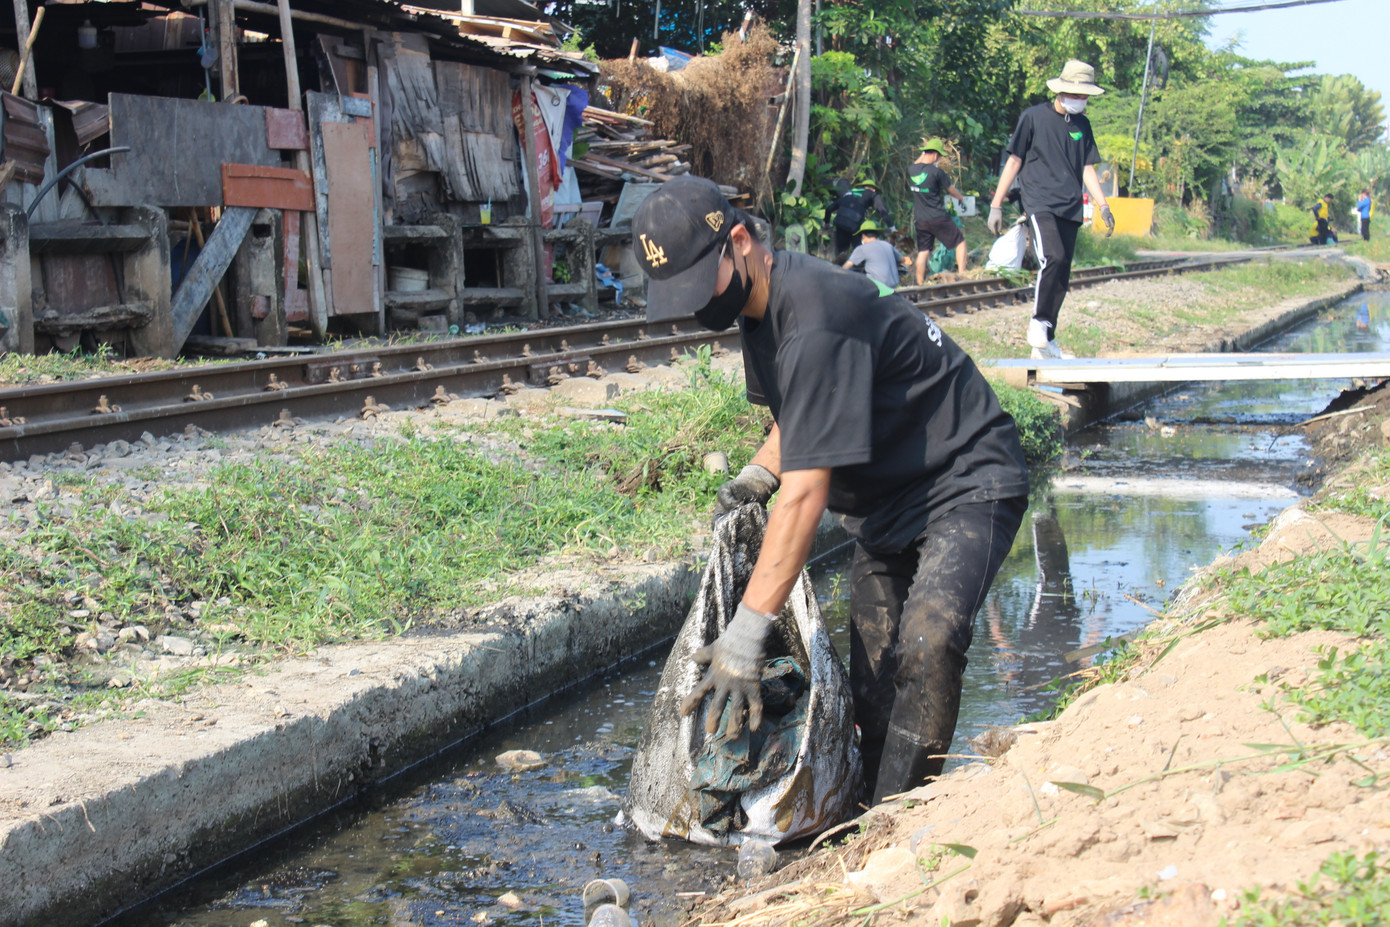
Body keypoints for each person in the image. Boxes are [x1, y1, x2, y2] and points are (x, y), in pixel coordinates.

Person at [631, 174, 1029, 806]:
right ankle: (867, 811)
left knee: (927, 641)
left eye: (695, 281)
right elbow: (799, 414)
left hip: (966, 479)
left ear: (739, 242)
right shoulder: (759, 308)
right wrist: (759, 472)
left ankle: (894, 827)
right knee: (872, 681)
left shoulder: (815, 313)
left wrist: (746, 632)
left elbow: (807, 493)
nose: (692, 305)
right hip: (884, 506)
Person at [988, 60, 1115, 360]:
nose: (1081, 101)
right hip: (1039, 201)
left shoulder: (1082, 125)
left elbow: (1086, 167)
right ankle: (1038, 323)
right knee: (1052, 257)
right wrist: (996, 203)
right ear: (1062, 90)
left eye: (1085, 97)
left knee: (1063, 273)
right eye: (1077, 94)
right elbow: (1015, 161)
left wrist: (1103, 204)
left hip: (1070, 205)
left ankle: (1046, 340)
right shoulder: (1032, 118)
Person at [909, 138, 968, 284]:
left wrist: (923, 154)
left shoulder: (911, 170)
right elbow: (950, 189)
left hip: (921, 220)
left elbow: (917, 163)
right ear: (936, 155)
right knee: (960, 242)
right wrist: (961, 198)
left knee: (923, 252)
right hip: (938, 217)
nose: (939, 159)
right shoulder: (937, 172)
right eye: (939, 156)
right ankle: (962, 275)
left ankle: (920, 284)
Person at [826, 178, 892, 261]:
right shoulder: (872, 193)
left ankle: (839, 267)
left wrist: (826, 224)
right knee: (858, 251)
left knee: (840, 254)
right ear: (874, 189)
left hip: (840, 223)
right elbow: (881, 209)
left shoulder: (849, 193)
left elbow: (829, 208)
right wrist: (891, 226)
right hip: (855, 224)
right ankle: (858, 267)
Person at [842, 219, 906, 288]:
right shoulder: (887, 245)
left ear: (863, 236)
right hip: (894, 285)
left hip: (877, 287)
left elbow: (846, 267)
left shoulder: (862, 249)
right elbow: (902, 259)